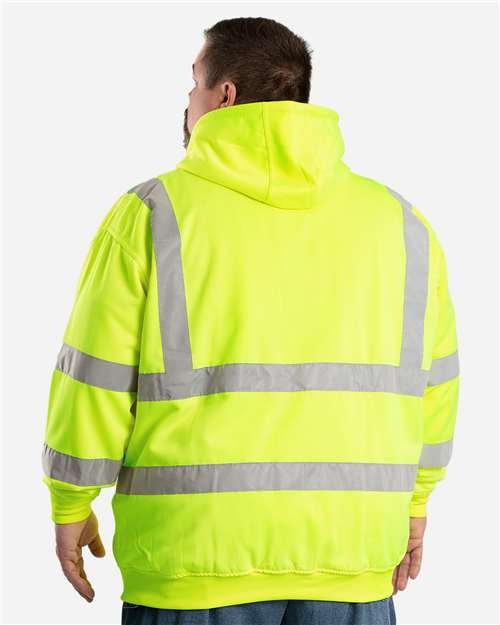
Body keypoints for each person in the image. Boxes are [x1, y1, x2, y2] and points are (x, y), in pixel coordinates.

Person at [41, 16, 460, 625]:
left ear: (224, 96)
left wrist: (70, 500)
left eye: (193, 84)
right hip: (353, 559)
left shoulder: (153, 215)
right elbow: (436, 386)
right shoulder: (402, 225)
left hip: (192, 562)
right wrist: (416, 502)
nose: (187, 99)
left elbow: (94, 378)